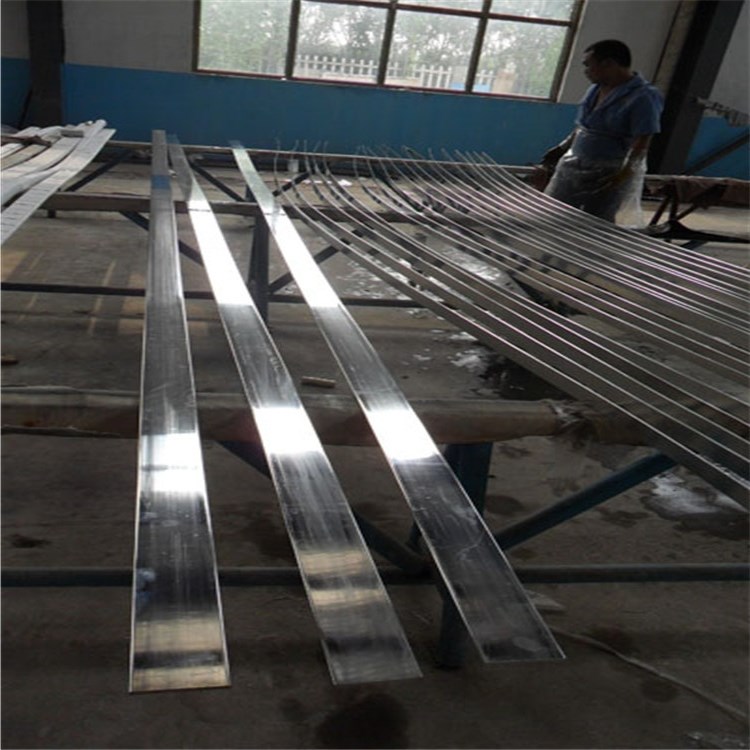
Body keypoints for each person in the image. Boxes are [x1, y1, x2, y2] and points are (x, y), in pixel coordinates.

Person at [540, 39, 664, 223]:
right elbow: (585, 126)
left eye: (588, 65)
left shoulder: (644, 96)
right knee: (557, 214)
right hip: (574, 164)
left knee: (595, 220)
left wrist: (624, 172)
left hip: (610, 170)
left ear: (609, 64)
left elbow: (643, 138)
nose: (586, 71)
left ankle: (588, 243)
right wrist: (563, 147)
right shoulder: (594, 90)